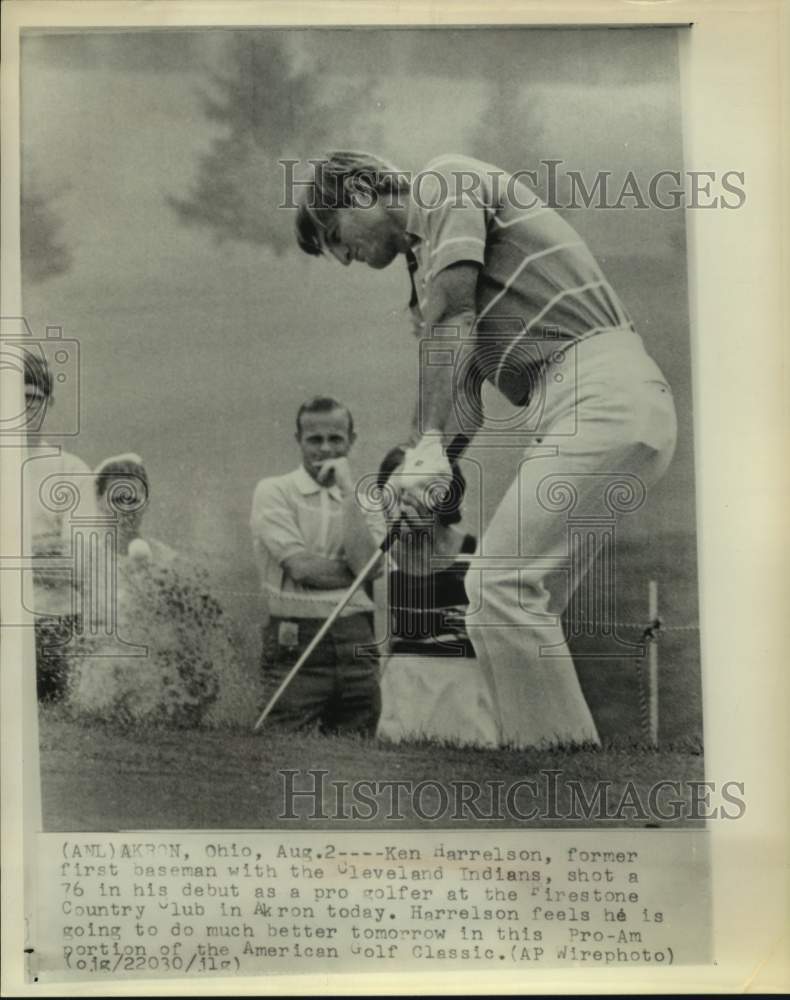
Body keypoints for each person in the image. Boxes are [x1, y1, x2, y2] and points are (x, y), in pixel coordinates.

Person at [293, 151, 678, 748]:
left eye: (334, 235)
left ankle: (556, 764)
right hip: (578, 406)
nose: (344, 257)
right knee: (514, 604)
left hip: (602, 389)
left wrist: (426, 451)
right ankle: (558, 764)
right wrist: (423, 469)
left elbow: (455, 319)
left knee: (498, 589)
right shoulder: (428, 267)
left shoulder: (444, 183)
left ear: (363, 192)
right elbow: (464, 397)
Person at [250, 396, 384, 735]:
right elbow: (302, 570)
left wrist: (348, 492)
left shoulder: (365, 499)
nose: (325, 449)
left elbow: (370, 568)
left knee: (356, 760)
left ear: (351, 440)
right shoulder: (274, 490)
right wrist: (358, 571)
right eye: (315, 440)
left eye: (336, 439)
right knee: (282, 751)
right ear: (299, 440)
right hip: (296, 639)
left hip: (357, 638)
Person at [375, 446, 498, 747]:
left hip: (465, 684)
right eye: (397, 493)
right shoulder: (382, 559)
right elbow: (381, 643)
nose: (406, 503)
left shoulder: (478, 556)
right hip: (403, 687)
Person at [21, 350, 96, 702]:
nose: (22, 408)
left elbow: (80, 564)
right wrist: (39, 552)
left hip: (55, 623)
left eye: (31, 398)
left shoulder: (71, 470)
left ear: (49, 402)